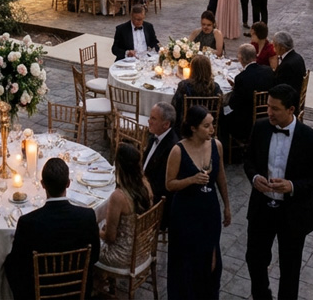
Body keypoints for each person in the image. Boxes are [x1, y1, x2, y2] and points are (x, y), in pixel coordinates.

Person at [244, 85, 313, 300]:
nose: (269, 112)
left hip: (293, 213)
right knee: (255, 259)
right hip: (262, 208)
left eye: (275, 109)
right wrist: (255, 178)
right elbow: (249, 160)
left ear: (291, 109)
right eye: (268, 106)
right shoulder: (261, 127)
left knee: (290, 269)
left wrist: (292, 186)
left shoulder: (311, 139)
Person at [5, 158, 100, 300]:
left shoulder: (27, 223)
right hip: (76, 290)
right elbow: (95, 256)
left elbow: (17, 264)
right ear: (68, 184)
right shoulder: (87, 216)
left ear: (42, 185)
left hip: (39, 293)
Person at [165, 104, 232, 300]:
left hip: (209, 210)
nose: (212, 130)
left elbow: (221, 177)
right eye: (206, 126)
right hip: (184, 213)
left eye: (212, 125)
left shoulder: (216, 146)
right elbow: (169, 184)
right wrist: (191, 180)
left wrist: (227, 206)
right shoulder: (178, 151)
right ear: (193, 128)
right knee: (185, 263)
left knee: (210, 260)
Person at [98, 143, 154, 269]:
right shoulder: (146, 184)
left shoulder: (119, 197)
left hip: (122, 256)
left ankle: (96, 281)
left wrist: (95, 231)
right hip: (142, 249)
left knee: (88, 236)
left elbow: (110, 237)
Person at [224, 43, 275, 148]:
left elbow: (233, 104)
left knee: (223, 112)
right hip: (266, 113)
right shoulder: (268, 70)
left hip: (246, 120)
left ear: (241, 58)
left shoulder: (241, 78)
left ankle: (227, 145)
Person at [142, 102, 179, 226]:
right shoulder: (155, 135)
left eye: (153, 118)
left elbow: (161, 186)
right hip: (144, 187)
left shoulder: (171, 148)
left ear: (166, 124)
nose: (149, 121)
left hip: (155, 203)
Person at [171, 54, 223, 128]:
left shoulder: (184, 86)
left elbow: (175, 107)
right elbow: (220, 109)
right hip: (208, 127)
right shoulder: (215, 87)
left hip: (188, 127)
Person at [272, 32, 307, 98]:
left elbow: (277, 86)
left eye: (275, 45)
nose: (273, 48)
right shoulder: (298, 57)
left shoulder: (287, 65)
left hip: (288, 98)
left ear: (281, 47)